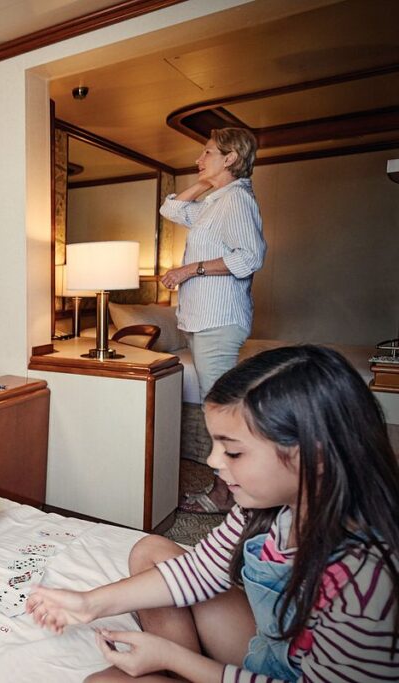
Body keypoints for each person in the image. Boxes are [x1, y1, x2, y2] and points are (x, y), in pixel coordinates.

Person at [26, 345, 399, 681]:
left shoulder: (366, 577)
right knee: (151, 550)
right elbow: (199, 570)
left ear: (313, 456)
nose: (212, 461)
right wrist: (89, 603)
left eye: (233, 451)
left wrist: (173, 657)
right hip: (276, 650)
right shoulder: (263, 510)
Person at [159, 127, 266, 513]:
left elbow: (249, 257)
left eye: (207, 153)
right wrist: (205, 180)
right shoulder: (216, 201)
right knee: (217, 406)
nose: (198, 159)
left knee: (220, 410)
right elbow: (170, 209)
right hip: (202, 321)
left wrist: (189, 270)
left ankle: (225, 494)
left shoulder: (237, 200)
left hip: (218, 321)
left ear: (230, 157)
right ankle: (227, 488)